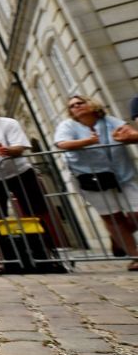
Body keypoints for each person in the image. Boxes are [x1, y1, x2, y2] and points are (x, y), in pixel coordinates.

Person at [0, 94, 63, 256]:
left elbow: (20, 147)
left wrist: (8, 150)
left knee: (37, 210)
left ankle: (49, 250)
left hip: (20, 172)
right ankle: (3, 256)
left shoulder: (9, 123)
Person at [54, 95, 138, 269]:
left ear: (92, 104)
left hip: (122, 173)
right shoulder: (68, 125)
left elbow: (131, 134)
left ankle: (117, 237)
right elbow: (62, 144)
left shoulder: (109, 121)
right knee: (112, 217)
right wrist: (88, 141)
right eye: (72, 106)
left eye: (80, 103)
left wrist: (127, 137)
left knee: (135, 214)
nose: (77, 106)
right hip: (90, 177)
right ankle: (135, 256)